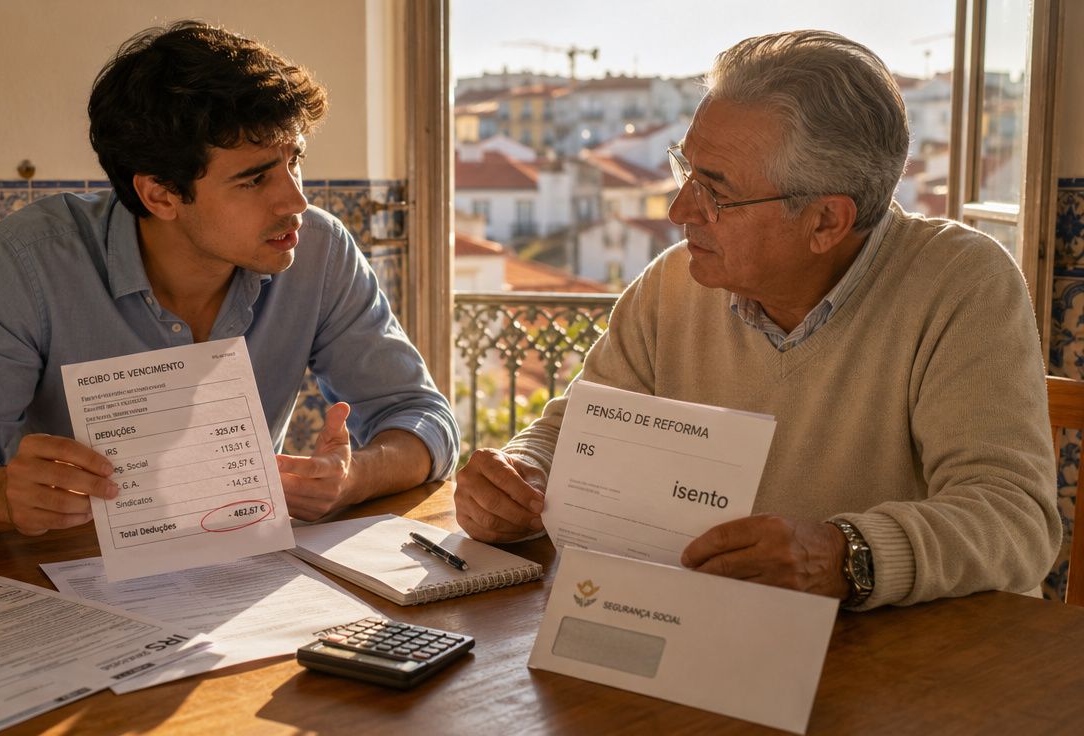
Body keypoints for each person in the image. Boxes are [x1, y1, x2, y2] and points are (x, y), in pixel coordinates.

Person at [454, 30, 1061, 610]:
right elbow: (577, 431)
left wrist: (844, 557)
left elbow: (1014, 518)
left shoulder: (961, 283)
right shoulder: (673, 286)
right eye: (685, 169)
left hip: (916, 660)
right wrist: (520, 476)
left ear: (826, 221)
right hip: (704, 635)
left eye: (716, 191)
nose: (678, 209)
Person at [0, 21, 458, 535]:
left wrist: (353, 478)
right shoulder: (28, 262)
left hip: (243, 576)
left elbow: (425, 419)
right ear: (160, 194)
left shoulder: (319, 250)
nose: (296, 201)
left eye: (295, 161)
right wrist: (1, 497)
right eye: (254, 179)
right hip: (62, 580)